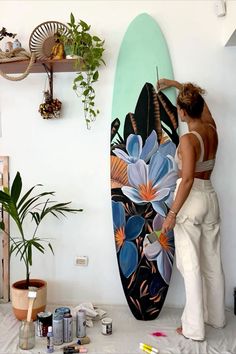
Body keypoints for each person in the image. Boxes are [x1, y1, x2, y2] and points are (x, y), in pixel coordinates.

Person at [157, 78, 225, 341]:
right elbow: (202, 107)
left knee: (191, 265)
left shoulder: (188, 139)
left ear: (183, 112)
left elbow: (186, 180)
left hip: (191, 200)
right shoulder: (212, 129)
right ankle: (216, 317)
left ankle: (194, 328)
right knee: (211, 260)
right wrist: (178, 85)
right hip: (211, 198)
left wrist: (172, 214)